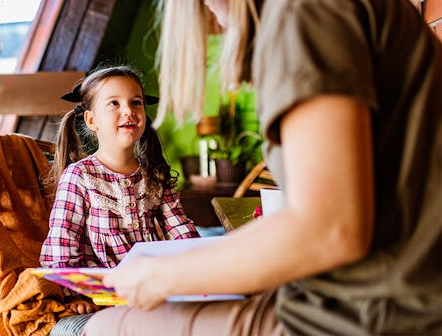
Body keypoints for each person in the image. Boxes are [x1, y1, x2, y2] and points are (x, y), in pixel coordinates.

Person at [82, 0, 441, 335]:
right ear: (90, 120)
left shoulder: (302, 13)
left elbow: (329, 228)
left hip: (376, 309)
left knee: (103, 327)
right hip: (388, 291)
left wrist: (161, 275)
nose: (210, 16)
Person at [40, 66, 200, 316]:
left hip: (152, 287)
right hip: (106, 294)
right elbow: (63, 242)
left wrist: (200, 266)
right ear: (92, 120)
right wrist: (75, 295)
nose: (129, 111)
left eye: (136, 103)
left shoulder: (154, 174)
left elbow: (181, 229)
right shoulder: (80, 176)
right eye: (114, 103)